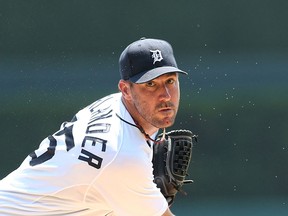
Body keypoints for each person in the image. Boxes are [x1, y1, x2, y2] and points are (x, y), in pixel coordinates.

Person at [0, 37, 188, 216]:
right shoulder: (122, 158)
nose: (166, 96)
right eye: (150, 84)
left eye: (170, 81)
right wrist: (143, 195)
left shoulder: (115, 105)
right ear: (126, 90)